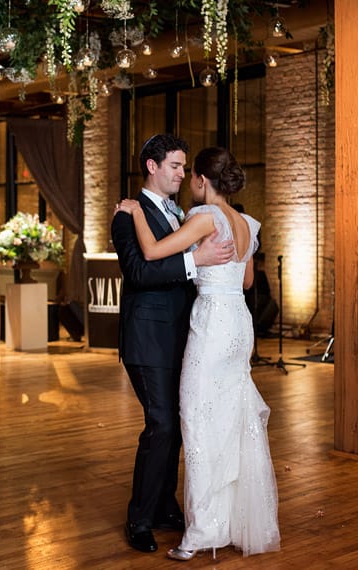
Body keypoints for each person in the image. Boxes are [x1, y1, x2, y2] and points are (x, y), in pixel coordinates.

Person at [116, 146, 280, 561]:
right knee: (231, 422)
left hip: (210, 327)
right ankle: (230, 519)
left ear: (203, 181)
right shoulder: (245, 222)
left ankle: (203, 529)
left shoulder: (203, 217)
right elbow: (245, 282)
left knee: (200, 425)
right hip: (238, 327)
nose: (186, 178)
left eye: (190, 173)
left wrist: (135, 212)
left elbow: (152, 253)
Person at [110, 134, 235, 555]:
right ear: (152, 166)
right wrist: (195, 261)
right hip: (148, 338)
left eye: (184, 168)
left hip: (185, 336)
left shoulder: (181, 212)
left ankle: (165, 506)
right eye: (176, 166)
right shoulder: (128, 214)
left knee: (179, 425)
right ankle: (139, 519)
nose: (183, 174)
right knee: (161, 424)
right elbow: (139, 274)